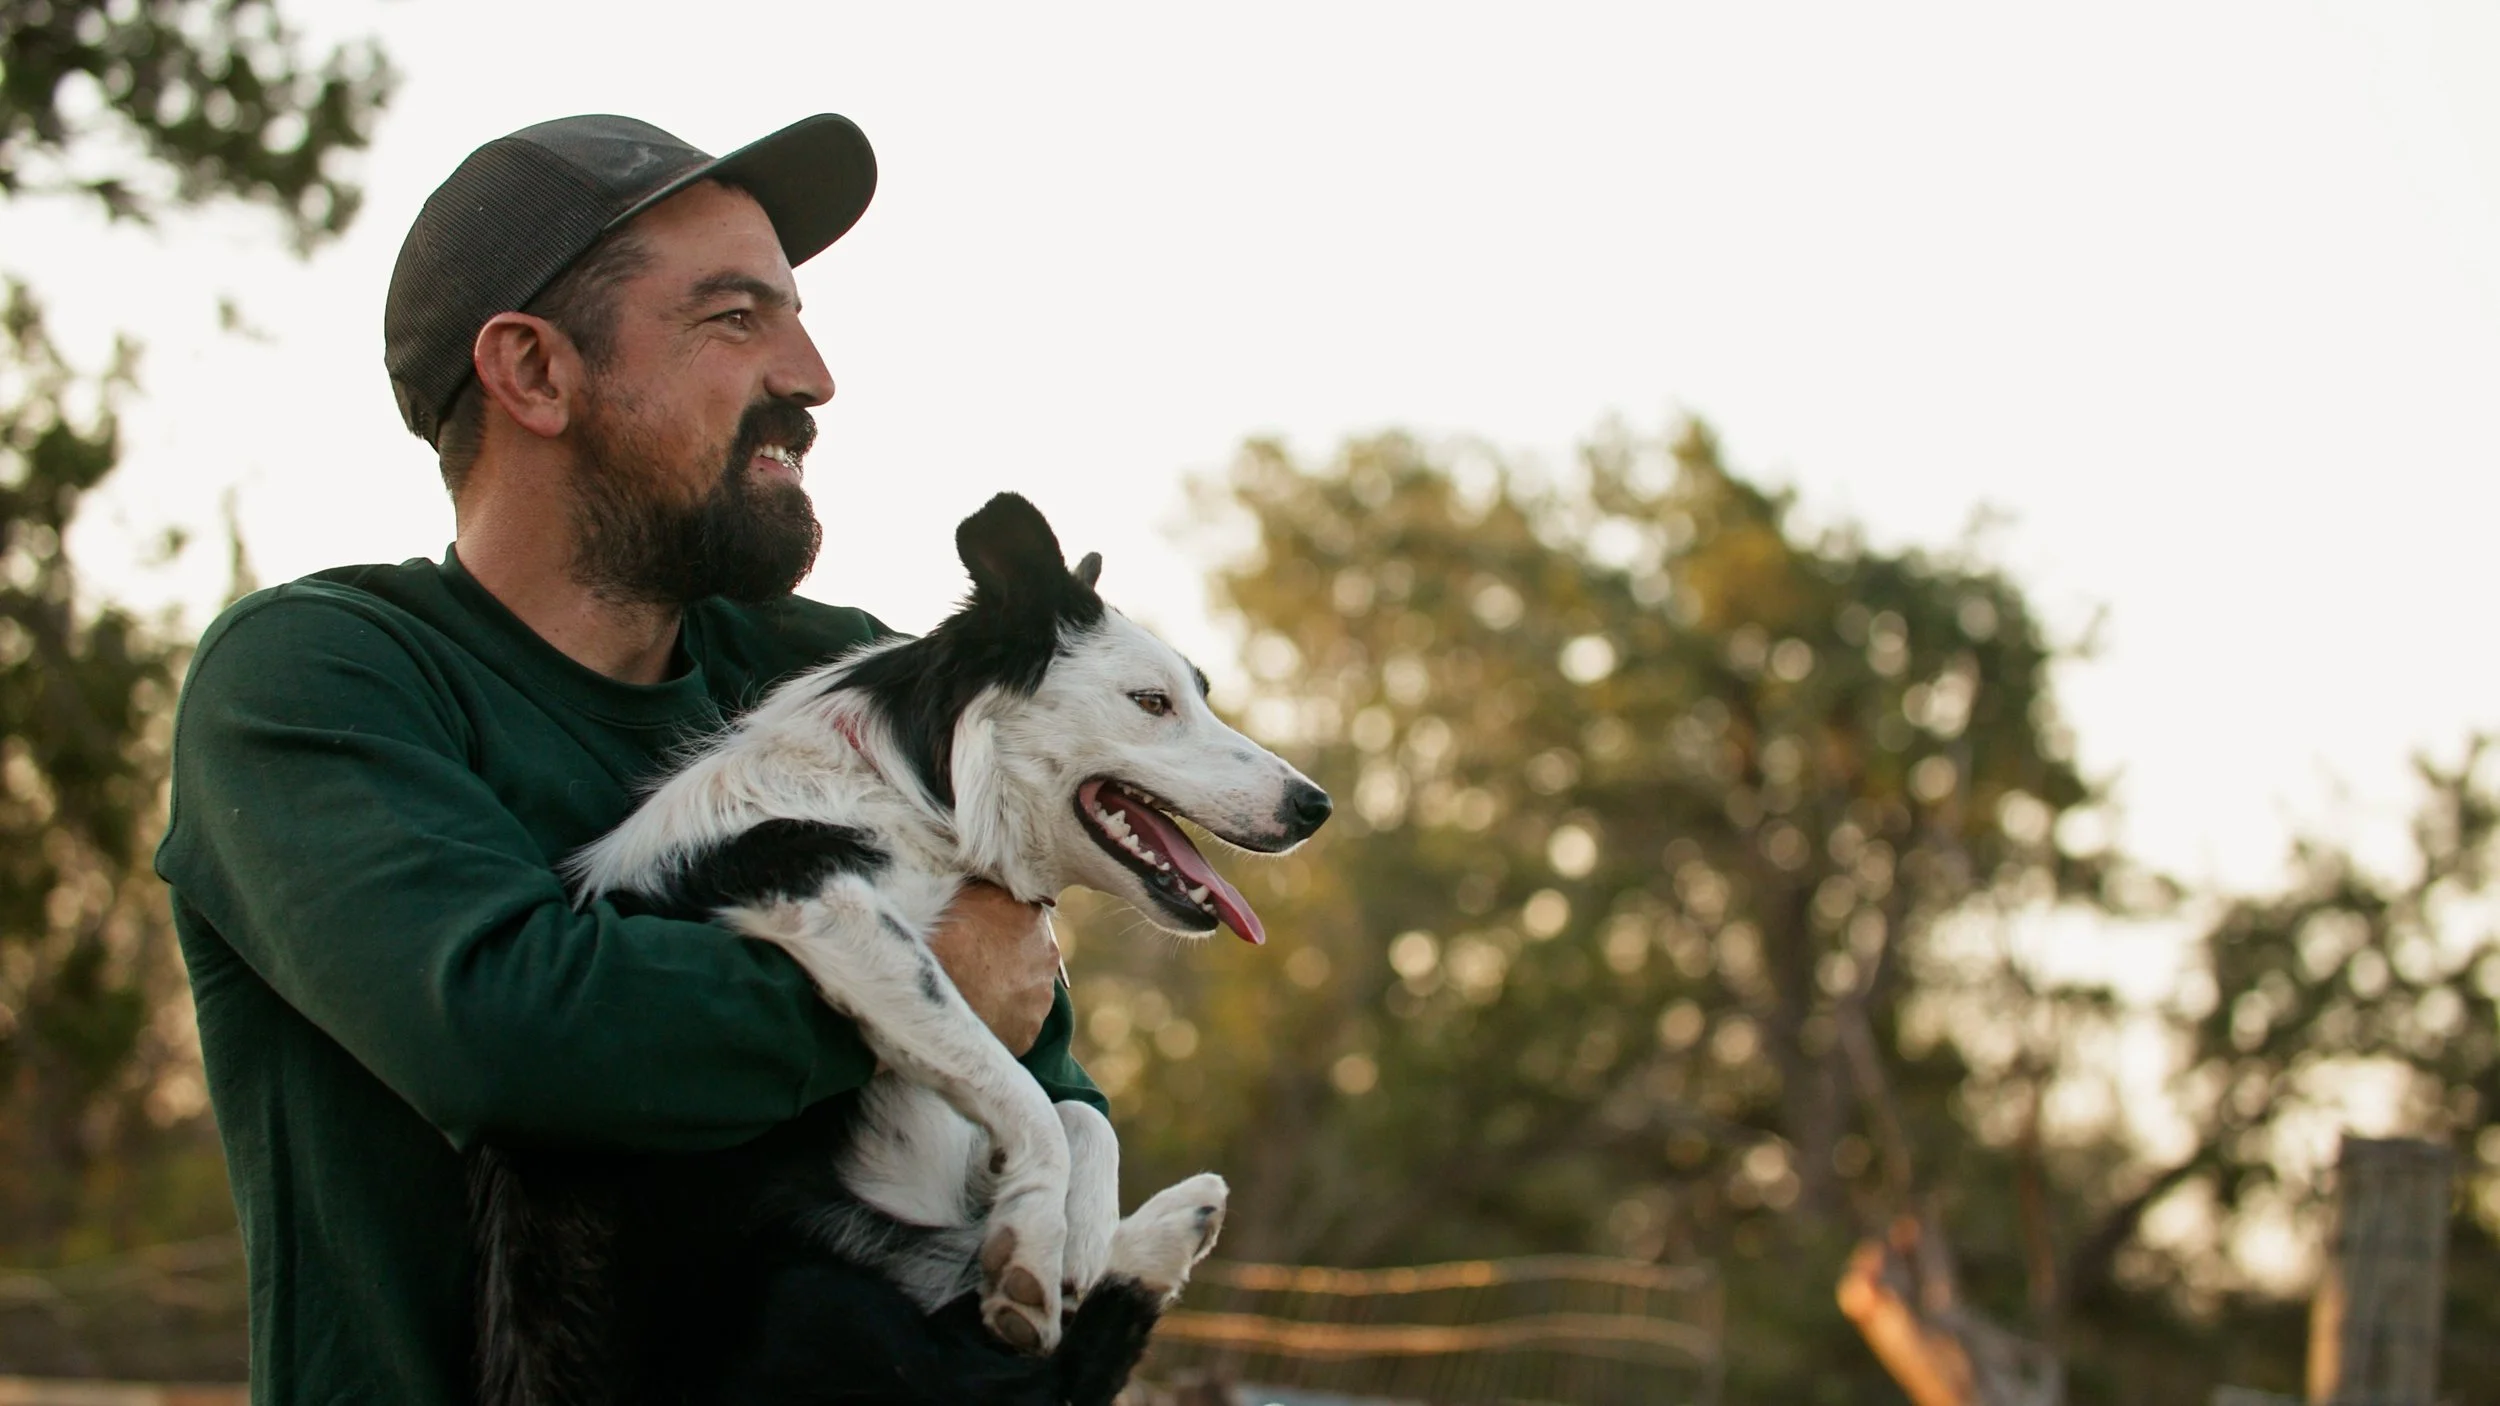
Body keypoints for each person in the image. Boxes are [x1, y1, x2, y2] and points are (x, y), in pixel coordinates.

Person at [154, 113, 1097, 1404]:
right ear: (534, 372)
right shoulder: (321, 677)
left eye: (798, 316)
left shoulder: (825, 677)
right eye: (733, 318)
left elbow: (1032, 1031)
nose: (813, 374)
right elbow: (514, 1029)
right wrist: (922, 985)